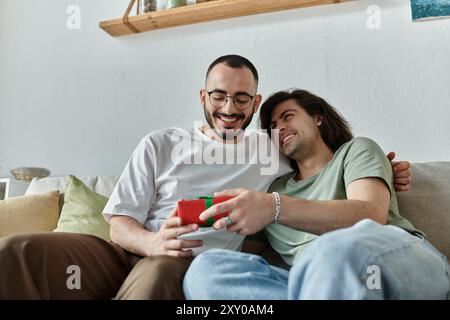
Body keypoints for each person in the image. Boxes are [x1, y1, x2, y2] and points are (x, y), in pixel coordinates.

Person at [0, 56, 411, 300]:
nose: (229, 107)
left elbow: (322, 164)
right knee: (16, 250)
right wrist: (151, 240)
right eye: (219, 96)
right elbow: (120, 222)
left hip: (182, 262)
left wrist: (383, 171)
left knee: (160, 275)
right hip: (122, 252)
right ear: (203, 97)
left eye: (241, 98)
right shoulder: (160, 143)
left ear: (255, 102)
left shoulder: (270, 150)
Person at [182, 89, 450, 300]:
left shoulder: (356, 151)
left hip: (394, 261)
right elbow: (243, 250)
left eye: (288, 116)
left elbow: (371, 214)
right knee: (206, 271)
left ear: (318, 118)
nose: (280, 127)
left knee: (334, 250)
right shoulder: (274, 188)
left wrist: (274, 207)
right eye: (273, 126)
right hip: (314, 286)